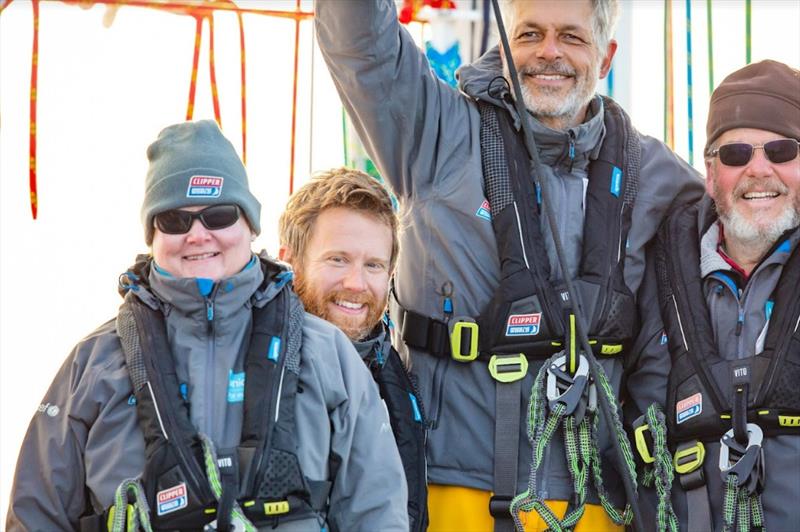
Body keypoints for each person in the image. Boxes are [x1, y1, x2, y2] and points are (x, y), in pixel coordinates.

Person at [314, 0, 705, 530]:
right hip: (451, 495)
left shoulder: (658, 178)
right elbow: (359, 44)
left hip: (601, 508)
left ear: (606, 56)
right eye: (530, 34)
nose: (548, 52)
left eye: (571, 37)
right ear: (504, 46)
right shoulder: (435, 135)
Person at [6, 120, 409, 532]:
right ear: (152, 234)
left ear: (250, 225)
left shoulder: (328, 355)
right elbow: (36, 516)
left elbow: (377, 511)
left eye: (218, 215)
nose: (198, 235)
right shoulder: (92, 364)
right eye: (175, 220)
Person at [638, 60, 800, 531]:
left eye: (781, 149)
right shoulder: (655, 272)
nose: (758, 169)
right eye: (735, 155)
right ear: (710, 175)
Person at [278, 167, 428, 532]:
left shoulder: (394, 371)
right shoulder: (258, 363)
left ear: (391, 273)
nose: (356, 284)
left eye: (373, 265)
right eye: (337, 259)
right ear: (290, 261)